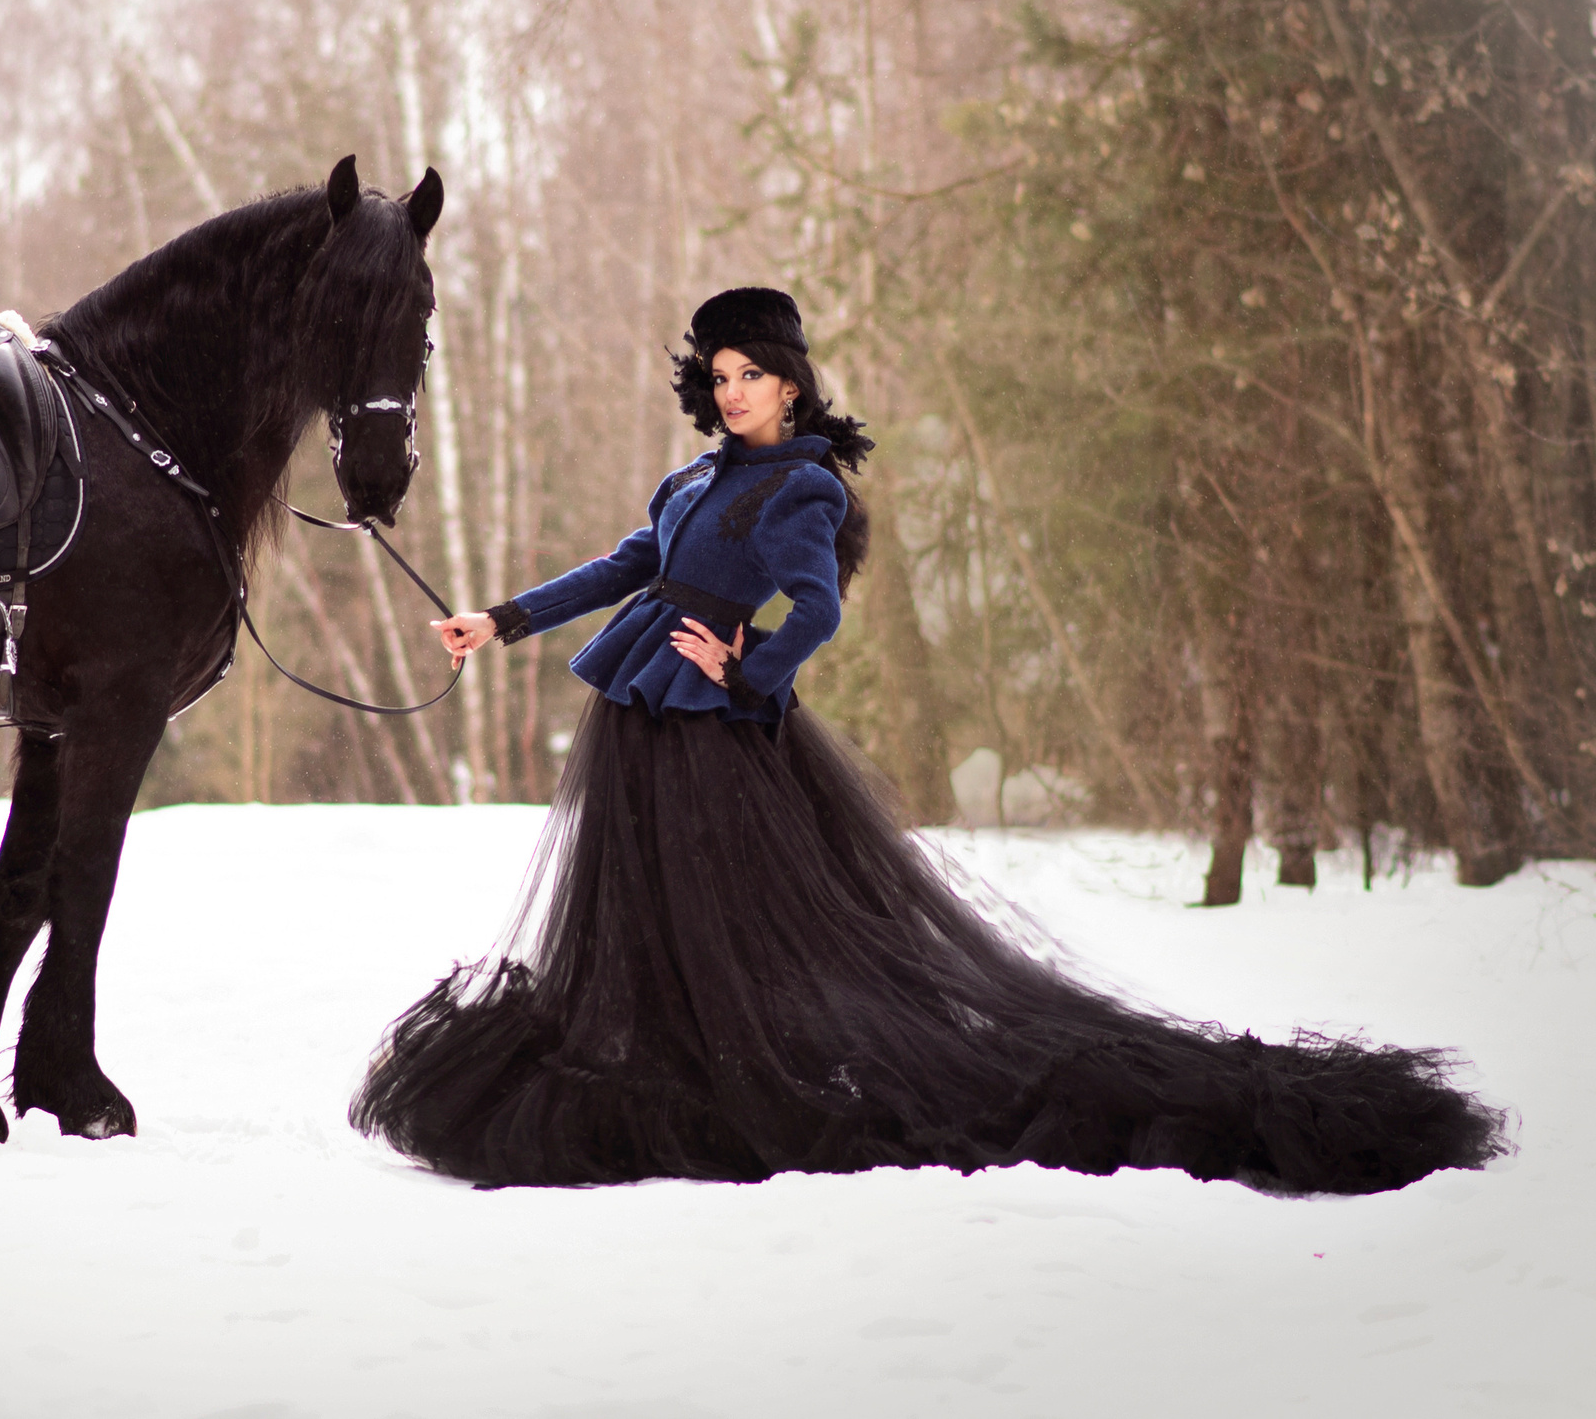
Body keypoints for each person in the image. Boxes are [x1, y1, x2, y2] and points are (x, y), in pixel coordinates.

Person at [349, 286, 1505, 1193]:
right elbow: (627, 565)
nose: (735, 391)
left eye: (754, 373)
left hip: (715, 730)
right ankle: (670, 1046)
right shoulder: (692, 477)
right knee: (645, 907)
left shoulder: (801, 488)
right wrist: (498, 619)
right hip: (640, 715)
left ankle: (748, 1067)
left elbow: (817, 609)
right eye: (721, 374)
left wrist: (747, 667)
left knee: (731, 914)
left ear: (792, 383)